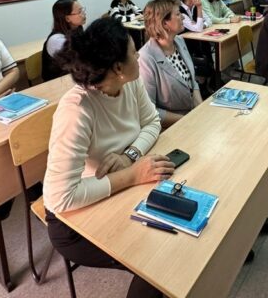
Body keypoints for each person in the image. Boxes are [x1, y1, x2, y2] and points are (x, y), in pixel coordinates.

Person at [43, 18, 174, 298]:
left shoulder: (129, 83)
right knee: (156, 260)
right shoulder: (76, 109)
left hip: (118, 188)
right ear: (117, 68)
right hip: (76, 218)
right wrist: (132, 175)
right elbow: (59, 198)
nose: (139, 56)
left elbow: (152, 122)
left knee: (176, 232)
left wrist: (129, 156)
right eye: (133, 52)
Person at [139, 0, 203, 127]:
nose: (183, 17)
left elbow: (192, 82)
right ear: (164, 23)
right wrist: (187, 120)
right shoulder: (145, 59)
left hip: (191, 117)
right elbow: (149, 111)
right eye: (178, 14)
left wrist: (201, 110)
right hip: (170, 126)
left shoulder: (179, 41)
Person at [42, 0, 86, 81]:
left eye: (83, 10)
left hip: (74, 77)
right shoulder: (56, 40)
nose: (84, 14)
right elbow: (81, 60)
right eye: (80, 11)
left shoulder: (78, 29)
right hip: (57, 82)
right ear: (67, 18)